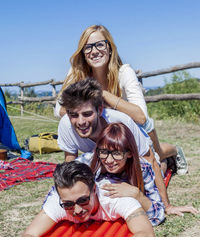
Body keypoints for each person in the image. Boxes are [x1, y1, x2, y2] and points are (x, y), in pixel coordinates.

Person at [54, 24, 188, 176]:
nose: (94, 51)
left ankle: (175, 151)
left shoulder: (124, 72)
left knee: (157, 156)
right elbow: (59, 110)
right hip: (98, 131)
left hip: (134, 129)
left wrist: (101, 94)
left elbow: (141, 116)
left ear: (109, 47)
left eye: (100, 44)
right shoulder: (76, 73)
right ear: (83, 52)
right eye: (88, 47)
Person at [57, 78, 197, 217]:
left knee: (157, 164)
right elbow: (70, 162)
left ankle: (174, 152)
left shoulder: (121, 122)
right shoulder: (66, 125)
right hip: (104, 159)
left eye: (87, 114)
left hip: (135, 154)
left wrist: (167, 206)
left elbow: (150, 161)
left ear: (99, 110)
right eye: (74, 115)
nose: (81, 122)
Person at [16, 161, 156, 237]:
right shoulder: (57, 202)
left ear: (94, 190)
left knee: (160, 163)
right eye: (68, 204)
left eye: (83, 200)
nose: (77, 210)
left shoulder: (115, 199)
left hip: (131, 169)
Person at [78, 122, 165, 226]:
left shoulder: (143, 168)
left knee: (162, 164)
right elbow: (62, 178)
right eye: (104, 152)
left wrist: (137, 194)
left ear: (129, 153)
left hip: (152, 160)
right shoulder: (89, 160)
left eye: (116, 153)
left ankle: (172, 154)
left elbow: (158, 214)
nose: (109, 160)